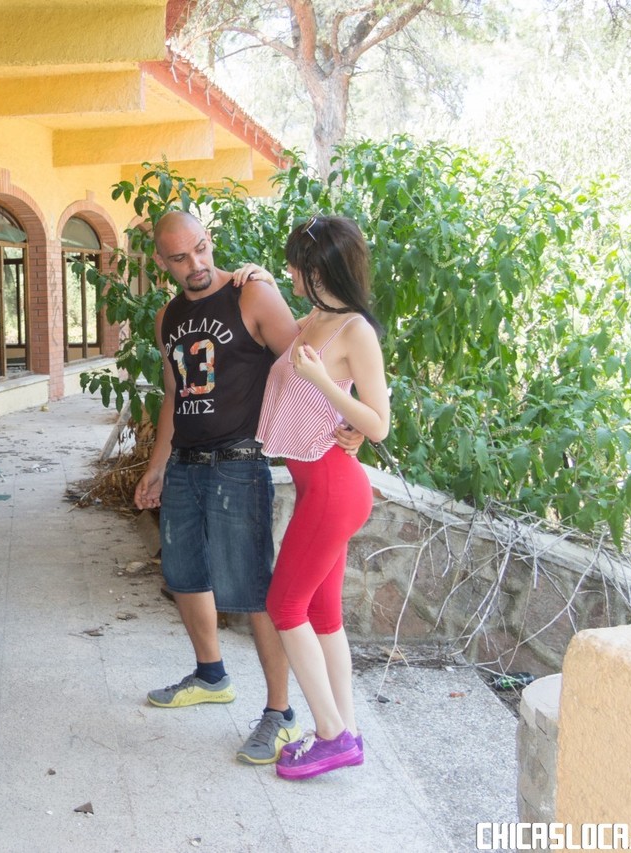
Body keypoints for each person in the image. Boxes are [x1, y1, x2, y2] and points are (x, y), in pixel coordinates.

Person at [133, 209, 359, 765]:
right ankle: (211, 675)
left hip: (239, 461)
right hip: (185, 462)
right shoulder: (166, 317)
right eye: (181, 258)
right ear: (162, 262)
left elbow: (309, 359)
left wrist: (351, 417)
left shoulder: (250, 293)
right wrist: (158, 464)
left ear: (209, 242)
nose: (197, 264)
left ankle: (279, 714)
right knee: (183, 574)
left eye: (202, 249)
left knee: (257, 590)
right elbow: (174, 394)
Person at [239, 214, 391, 780]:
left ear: (318, 266)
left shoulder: (354, 331)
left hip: (333, 485)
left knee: (284, 607)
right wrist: (251, 275)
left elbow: (377, 424)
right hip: (316, 485)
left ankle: (329, 734)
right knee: (324, 616)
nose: (288, 271)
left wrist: (326, 384)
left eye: (294, 264)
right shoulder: (313, 321)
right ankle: (345, 730)